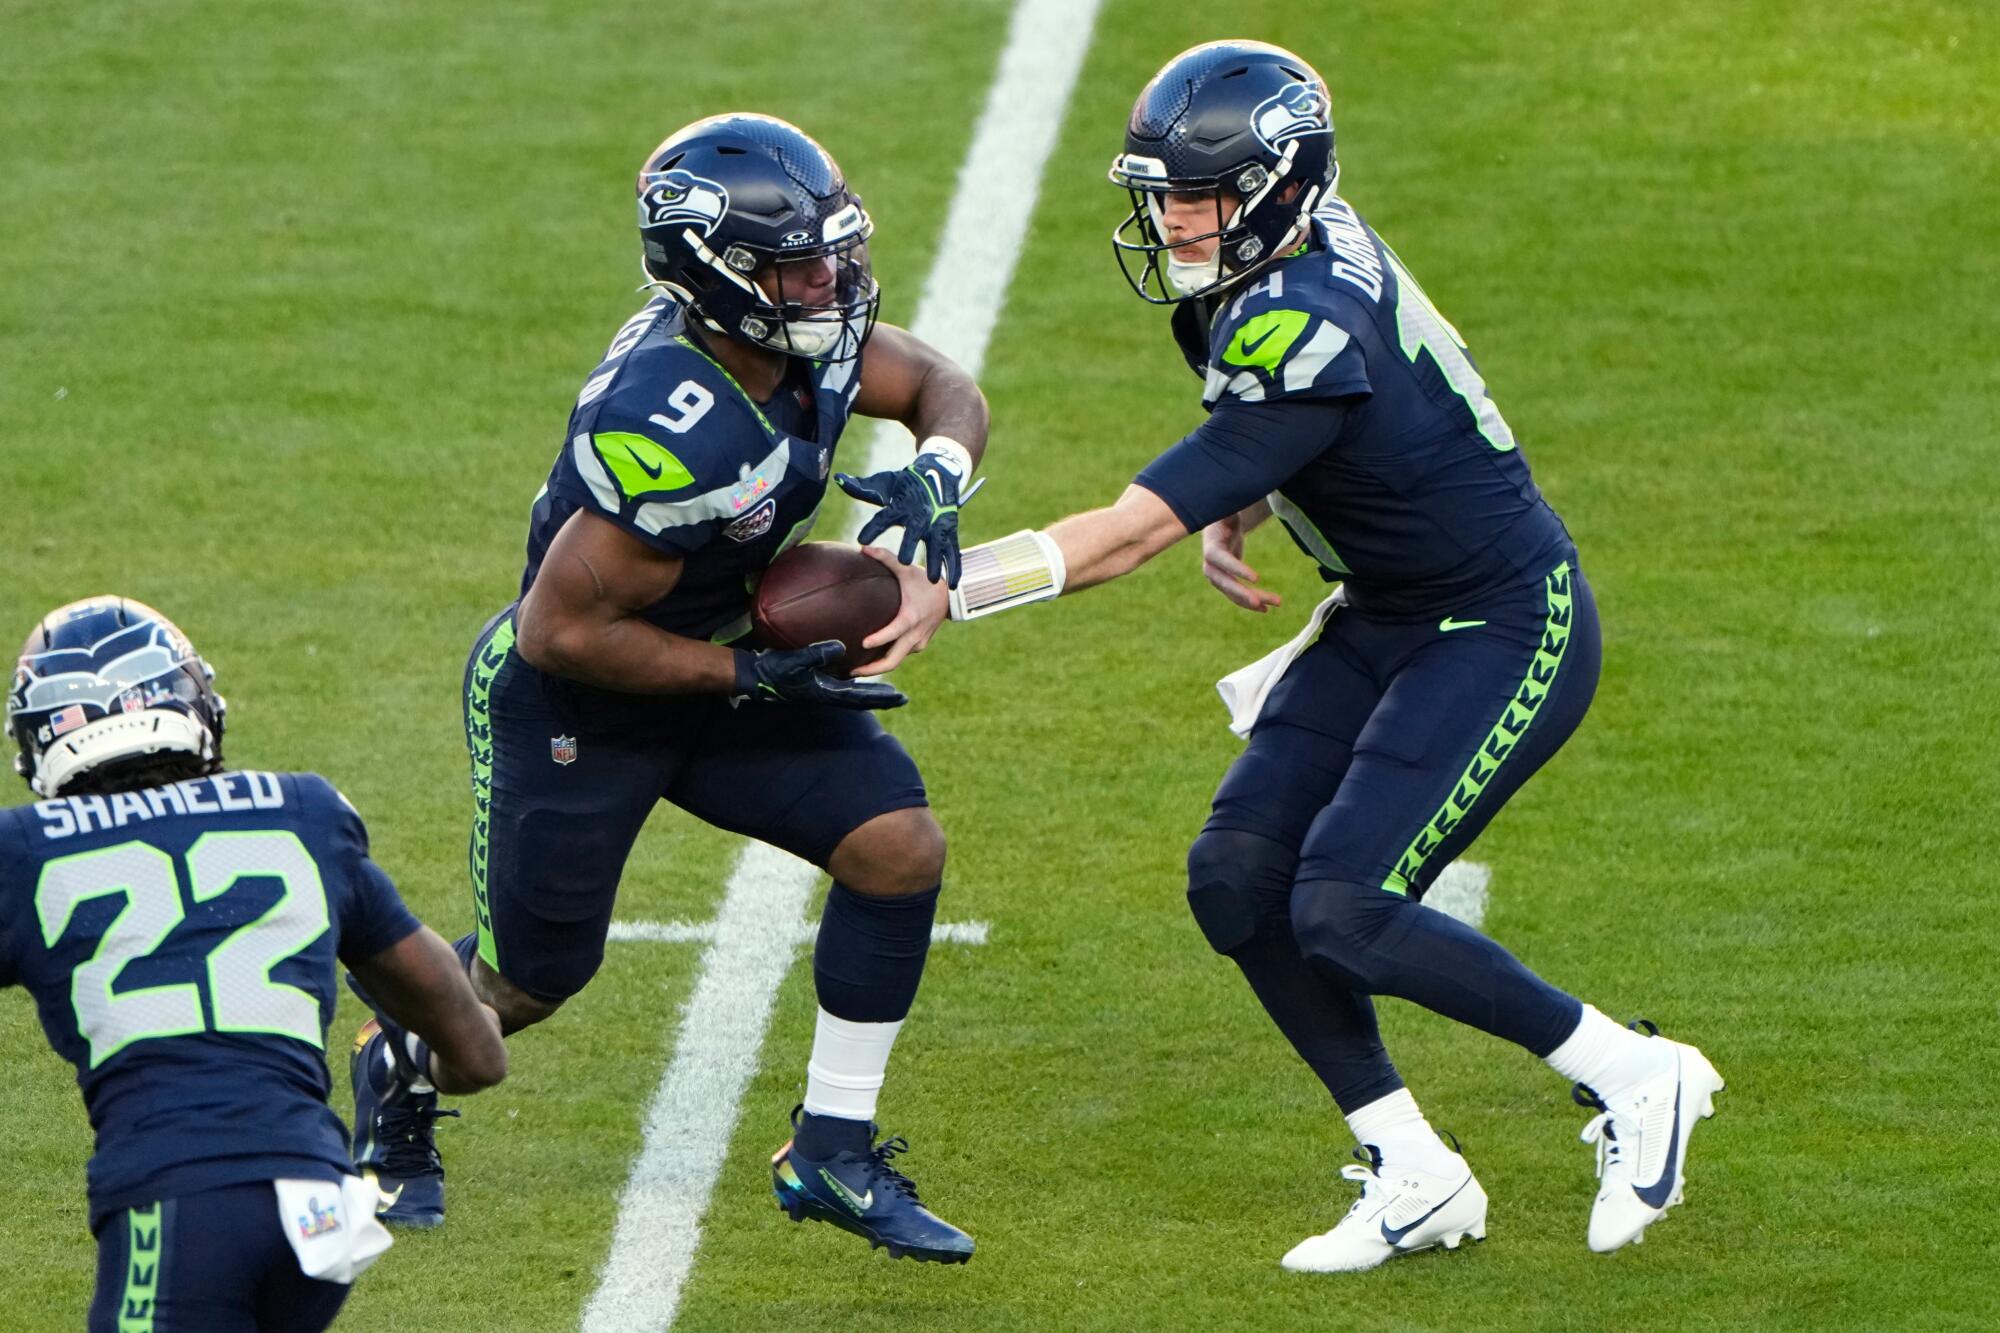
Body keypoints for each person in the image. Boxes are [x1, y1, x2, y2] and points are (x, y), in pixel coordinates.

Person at [935, 40, 1723, 1271]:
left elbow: (1127, 534)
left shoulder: (1298, 314)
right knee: (1236, 878)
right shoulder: (1280, 255)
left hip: (1496, 619)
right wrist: (1256, 491)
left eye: (1199, 194)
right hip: (1385, 605)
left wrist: (942, 586)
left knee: (1343, 908)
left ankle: (1634, 1072)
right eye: (1162, 193)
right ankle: (1411, 1167)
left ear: (1279, 188)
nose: (1172, 220)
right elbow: (1335, 411)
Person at [348, 112, 981, 1264]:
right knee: (526, 986)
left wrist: (937, 475)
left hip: (728, 668)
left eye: (832, 254)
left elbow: (938, 382)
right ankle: (395, 1062)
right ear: (714, 275)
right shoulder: (668, 419)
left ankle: (831, 1150)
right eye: (797, 266)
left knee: (897, 847)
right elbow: (557, 631)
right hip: (583, 702)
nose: (830, 282)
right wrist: (750, 670)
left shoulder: (807, 337)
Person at [0, 596, 507, 1332]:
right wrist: (427, 1059)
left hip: (181, 1203)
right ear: (193, 702)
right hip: (320, 1206)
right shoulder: (303, 811)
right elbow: (480, 1054)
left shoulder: (26, 851)